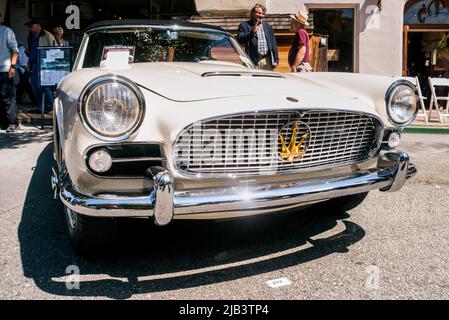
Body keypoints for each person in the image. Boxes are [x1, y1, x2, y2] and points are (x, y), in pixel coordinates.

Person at [25, 18, 56, 114]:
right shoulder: (31, 37)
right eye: (30, 27)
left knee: (45, 86)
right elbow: (32, 51)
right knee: (35, 86)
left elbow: (54, 50)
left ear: (38, 26)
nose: (31, 29)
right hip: (34, 65)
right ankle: (40, 106)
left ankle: (50, 107)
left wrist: (50, 65)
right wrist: (28, 54)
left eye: (32, 27)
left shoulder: (47, 35)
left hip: (44, 65)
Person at [237, 3, 279, 70]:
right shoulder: (244, 25)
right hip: (252, 61)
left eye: (262, 14)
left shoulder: (267, 26)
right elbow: (240, 39)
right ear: (252, 13)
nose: (261, 15)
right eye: (259, 13)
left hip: (266, 60)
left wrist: (276, 60)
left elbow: (273, 43)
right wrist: (252, 32)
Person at [0, 14, 20, 132]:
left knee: (8, 97)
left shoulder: (7, 31)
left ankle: (13, 122)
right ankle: (3, 122)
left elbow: (15, 50)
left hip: (5, 69)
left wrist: (13, 66)